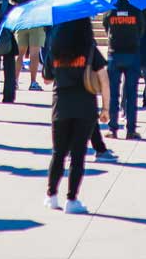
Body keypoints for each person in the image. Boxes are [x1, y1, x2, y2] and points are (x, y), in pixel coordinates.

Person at [45, 17, 106, 213]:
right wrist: (106, 108)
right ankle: (72, 199)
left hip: (61, 105)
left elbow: (46, 78)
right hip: (85, 106)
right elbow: (104, 79)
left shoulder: (54, 48)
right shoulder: (89, 49)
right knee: (78, 155)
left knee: (58, 153)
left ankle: (51, 195)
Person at [104, 0, 143, 141]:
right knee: (131, 94)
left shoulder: (111, 11)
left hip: (114, 54)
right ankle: (131, 130)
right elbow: (141, 30)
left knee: (113, 94)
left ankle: (113, 128)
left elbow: (106, 28)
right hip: (132, 54)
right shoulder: (136, 11)